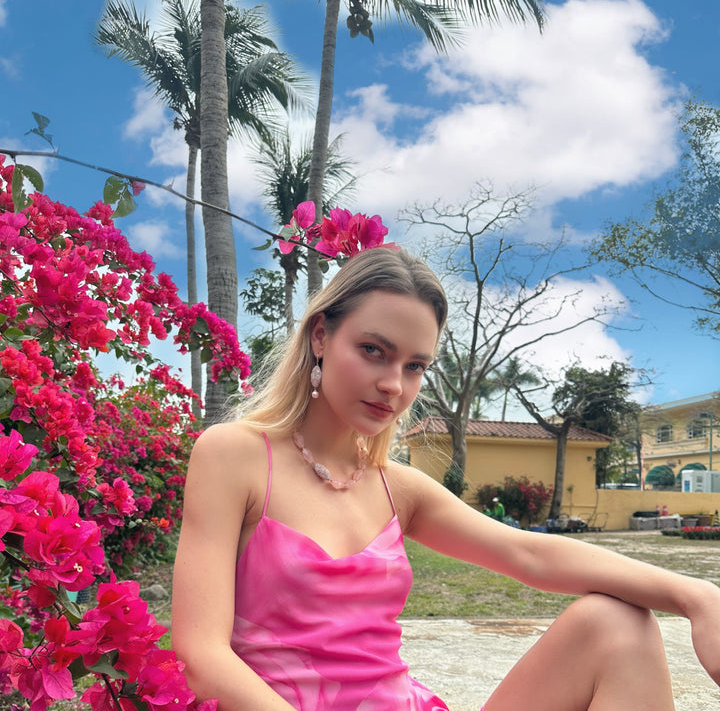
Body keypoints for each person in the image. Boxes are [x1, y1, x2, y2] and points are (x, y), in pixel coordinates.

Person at [172, 246, 720, 711]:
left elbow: (529, 553)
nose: (394, 384)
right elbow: (202, 656)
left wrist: (698, 597)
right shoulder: (235, 456)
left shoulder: (396, 487)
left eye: (414, 366)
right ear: (321, 336)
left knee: (618, 625)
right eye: (373, 351)